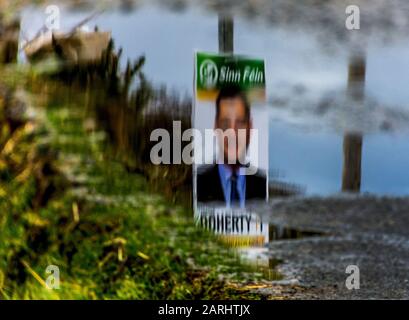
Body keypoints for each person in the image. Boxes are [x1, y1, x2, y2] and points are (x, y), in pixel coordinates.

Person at [197, 86, 267, 208]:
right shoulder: (197, 183)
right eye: (225, 124)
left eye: (240, 123)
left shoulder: (264, 186)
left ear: (250, 128)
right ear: (215, 126)